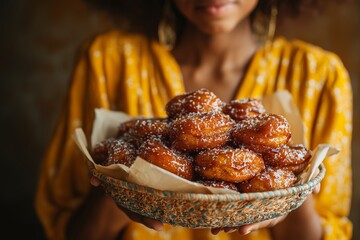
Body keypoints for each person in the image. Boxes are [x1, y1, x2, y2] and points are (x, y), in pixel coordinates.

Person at [35, 0, 353, 239]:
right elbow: (67, 230)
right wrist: (121, 186)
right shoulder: (107, 61)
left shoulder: (317, 75)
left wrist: (291, 197)